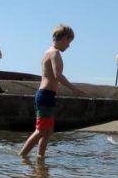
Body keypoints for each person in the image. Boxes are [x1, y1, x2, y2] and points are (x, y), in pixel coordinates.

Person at [18, 24, 85, 159]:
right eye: (69, 42)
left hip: (47, 95)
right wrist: (74, 89)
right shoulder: (54, 53)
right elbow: (57, 75)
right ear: (64, 38)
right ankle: (22, 156)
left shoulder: (48, 52)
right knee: (41, 130)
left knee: (47, 131)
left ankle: (40, 158)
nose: (69, 46)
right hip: (45, 95)